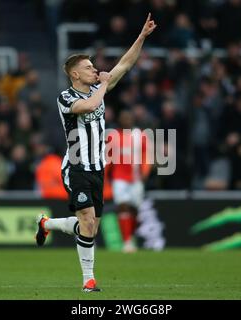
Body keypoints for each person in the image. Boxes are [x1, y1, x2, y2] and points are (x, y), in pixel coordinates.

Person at [35, 13, 157, 292]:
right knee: (88, 222)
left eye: (94, 67)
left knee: (89, 227)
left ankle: (47, 223)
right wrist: (103, 84)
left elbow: (124, 65)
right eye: (89, 68)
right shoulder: (66, 97)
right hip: (76, 166)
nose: (95, 70)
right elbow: (89, 106)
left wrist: (142, 37)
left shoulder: (96, 89)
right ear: (75, 74)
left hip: (97, 168)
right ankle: (88, 281)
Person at [106, 110, 152, 253]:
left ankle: (130, 237)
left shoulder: (141, 136)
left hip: (136, 178)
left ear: (133, 120)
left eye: (129, 118)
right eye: (124, 118)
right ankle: (127, 242)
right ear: (120, 121)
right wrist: (105, 175)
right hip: (119, 178)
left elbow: (147, 155)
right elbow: (108, 158)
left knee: (134, 210)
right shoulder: (113, 136)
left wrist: (145, 171)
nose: (126, 120)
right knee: (123, 206)